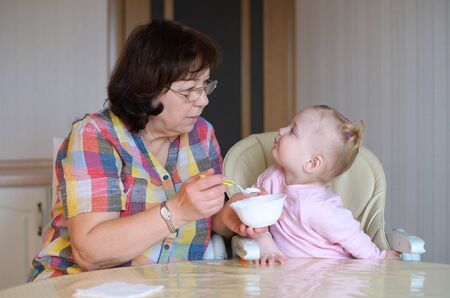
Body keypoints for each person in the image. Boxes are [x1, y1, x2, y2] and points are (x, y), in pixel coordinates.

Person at [29, 19, 258, 281]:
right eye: (188, 92)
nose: (203, 100)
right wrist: (177, 211)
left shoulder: (201, 134)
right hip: (79, 285)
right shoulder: (97, 135)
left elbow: (210, 217)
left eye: (205, 86)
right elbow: (90, 252)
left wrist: (235, 215)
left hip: (170, 286)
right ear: (147, 89)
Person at [251, 105, 400, 264]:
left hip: (331, 274)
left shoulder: (319, 206)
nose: (281, 130)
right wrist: (264, 240)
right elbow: (251, 210)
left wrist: (378, 257)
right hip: (292, 276)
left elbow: (351, 235)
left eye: (293, 131)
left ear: (312, 162)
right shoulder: (271, 177)